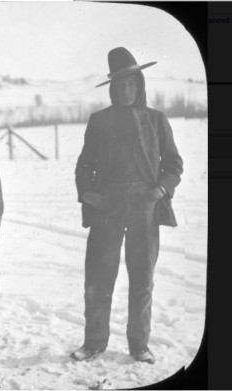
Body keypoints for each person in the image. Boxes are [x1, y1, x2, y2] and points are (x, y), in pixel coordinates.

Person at [72, 47, 183, 364]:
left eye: (131, 83)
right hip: (108, 204)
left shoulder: (156, 120)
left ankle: (139, 345)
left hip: (145, 205)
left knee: (142, 278)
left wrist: (160, 189)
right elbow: (84, 166)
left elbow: (173, 165)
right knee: (98, 277)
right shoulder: (99, 121)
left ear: (139, 84)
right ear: (112, 88)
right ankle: (93, 342)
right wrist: (89, 193)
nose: (125, 90)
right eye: (119, 85)